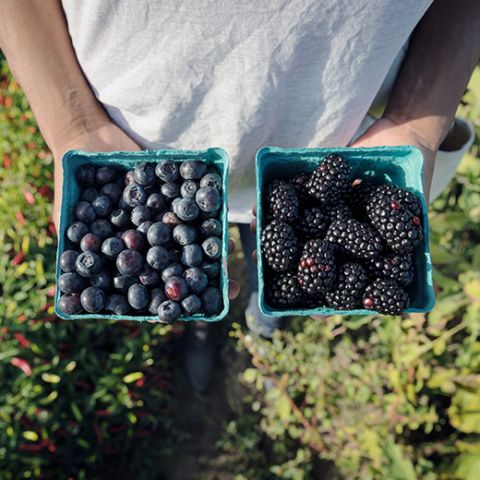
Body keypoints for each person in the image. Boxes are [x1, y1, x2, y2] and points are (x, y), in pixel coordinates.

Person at [1, 0, 478, 392]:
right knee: (196, 268)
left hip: (320, 158)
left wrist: (416, 117)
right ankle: (202, 323)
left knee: (274, 263)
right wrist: (73, 124)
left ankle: (265, 324)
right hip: (137, 151)